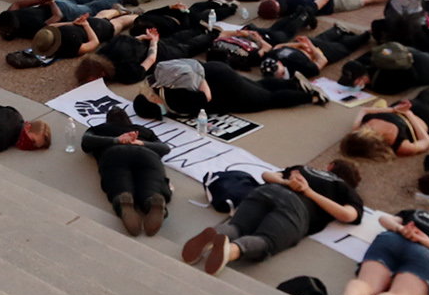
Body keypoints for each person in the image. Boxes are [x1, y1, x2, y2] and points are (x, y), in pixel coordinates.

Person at [182, 162, 364, 274]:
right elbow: (347, 215)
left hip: (266, 192)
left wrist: (288, 183)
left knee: (238, 227)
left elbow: (266, 175)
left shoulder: (302, 170)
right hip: (297, 210)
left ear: (330, 166)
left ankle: (215, 234)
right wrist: (309, 193)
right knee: (267, 240)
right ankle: (231, 251)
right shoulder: (345, 189)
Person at [81, 105, 170, 236]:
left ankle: (123, 198)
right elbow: (164, 148)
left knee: (117, 179)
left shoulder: (100, 129)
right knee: (151, 181)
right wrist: (140, 143)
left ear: (108, 121)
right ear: (129, 121)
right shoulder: (143, 130)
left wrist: (117, 140)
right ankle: (152, 200)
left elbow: (86, 141)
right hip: (146, 154)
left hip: (114, 153)